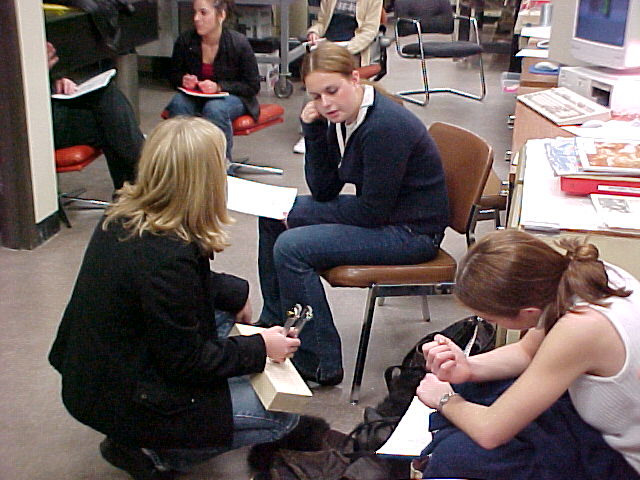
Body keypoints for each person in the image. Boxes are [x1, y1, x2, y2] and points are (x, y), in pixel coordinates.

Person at [48, 116, 301, 480]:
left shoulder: (127, 215)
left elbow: (179, 288)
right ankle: (154, 453)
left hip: (95, 376)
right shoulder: (168, 259)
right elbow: (187, 362)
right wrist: (261, 347)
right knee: (281, 417)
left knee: (221, 318)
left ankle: (150, 435)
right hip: (124, 396)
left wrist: (236, 294)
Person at [258, 42, 449, 386]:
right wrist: (313, 130)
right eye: (316, 96)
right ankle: (275, 325)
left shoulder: (383, 127)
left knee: (291, 247)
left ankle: (319, 361)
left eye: (332, 91)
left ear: (355, 78)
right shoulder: (344, 117)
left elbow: (371, 212)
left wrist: (299, 215)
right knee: (273, 213)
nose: (325, 103)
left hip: (411, 233)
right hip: (386, 218)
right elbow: (324, 190)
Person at [417, 230, 640, 477]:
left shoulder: (580, 328)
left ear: (528, 313)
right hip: (602, 422)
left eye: (491, 319)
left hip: (623, 460)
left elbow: (490, 431)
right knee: (472, 390)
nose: (489, 323)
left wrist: (445, 400)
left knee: (455, 454)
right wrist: (468, 368)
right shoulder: (587, 274)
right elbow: (528, 351)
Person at [165, 0, 260, 161]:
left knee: (215, 108)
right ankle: (181, 163)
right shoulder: (185, 41)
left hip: (233, 96)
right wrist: (183, 80)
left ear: (221, 15)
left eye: (203, 13)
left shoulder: (238, 43)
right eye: (195, 12)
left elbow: (252, 86)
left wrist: (219, 87)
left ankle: (221, 164)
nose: (196, 18)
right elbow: (172, 75)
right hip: (196, 96)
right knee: (178, 103)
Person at [47, 42, 143, 191]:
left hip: (49, 109)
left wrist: (55, 80)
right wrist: (38, 72)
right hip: (28, 127)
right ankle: (144, 180)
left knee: (108, 101)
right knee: (110, 122)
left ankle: (133, 191)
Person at [293, 0, 383, 154]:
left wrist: (344, 50)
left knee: (332, 84)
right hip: (327, 47)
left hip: (352, 50)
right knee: (316, 85)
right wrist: (314, 33)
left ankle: (345, 131)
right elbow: (322, 22)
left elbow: (369, 31)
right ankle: (311, 130)